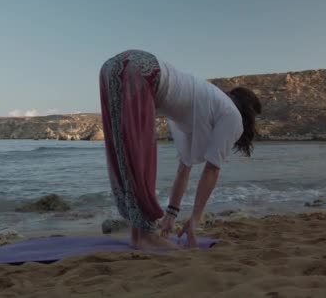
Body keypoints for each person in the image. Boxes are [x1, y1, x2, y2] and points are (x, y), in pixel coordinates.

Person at [99, 49, 261, 249]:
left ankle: (138, 235)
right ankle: (145, 236)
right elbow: (212, 169)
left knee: (126, 153)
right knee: (139, 159)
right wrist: (195, 219)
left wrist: (171, 215)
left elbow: (184, 169)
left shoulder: (202, 103)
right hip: (143, 71)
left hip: (113, 66)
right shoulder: (232, 115)